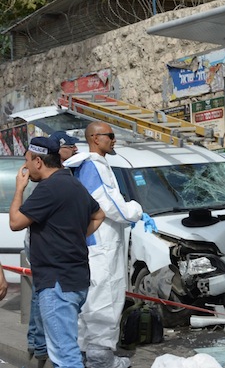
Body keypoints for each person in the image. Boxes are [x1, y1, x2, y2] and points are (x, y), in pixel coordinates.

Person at [9, 137, 105, 368]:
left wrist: (19, 189)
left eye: (27, 162)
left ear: (39, 162)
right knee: (64, 349)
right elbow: (99, 214)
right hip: (75, 279)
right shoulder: (72, 183)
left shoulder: (49, 189)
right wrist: (73, 236)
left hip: (57, 283)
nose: (26, 168)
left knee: (65, 356)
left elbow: (15, 222)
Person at [63, 122, 152, 368]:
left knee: (93, 301)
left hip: (98, 243)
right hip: (102, 245)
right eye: (110, 136)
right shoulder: (93, 166)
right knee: (106, 299)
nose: (114, 140)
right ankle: (100, 358)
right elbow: (110, 205)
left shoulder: (89, 165)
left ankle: (86, 353)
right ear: (94, 138)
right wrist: (136, 210)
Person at [24, 130, 81, 360]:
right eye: (70, 146)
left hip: (54, 255)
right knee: (42, 293)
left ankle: (37, 343)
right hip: (46, 251)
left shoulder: (57, 179)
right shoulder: (45, 181)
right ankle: (38, 344)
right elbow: (16, 221)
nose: (75, 150)